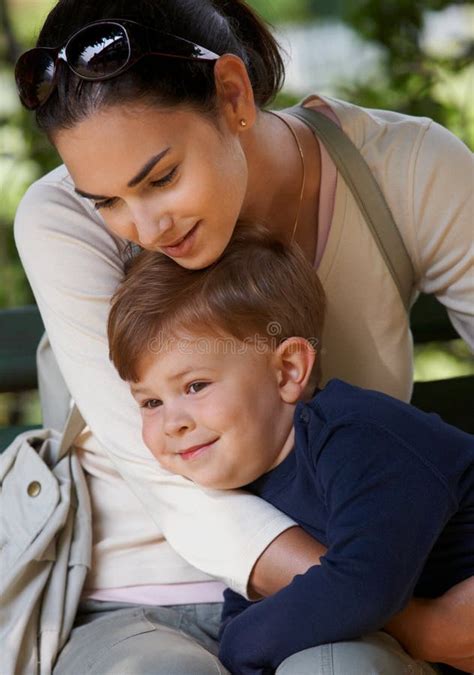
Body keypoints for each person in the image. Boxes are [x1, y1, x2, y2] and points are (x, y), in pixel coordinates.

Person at [13, 0, 473, 672]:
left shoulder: (404, 172)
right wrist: (417, 622)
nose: (144, 227)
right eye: (107, 201)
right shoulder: (60, 222)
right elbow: (168, 482)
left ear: (232, 94)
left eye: (162, 177)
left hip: (353, 584)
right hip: (141, 599)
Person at [106, 223, 474, 675]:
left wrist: (237, 648)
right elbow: (257, 610)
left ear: (287, 371)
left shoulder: (359, 438)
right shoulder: (252, 487)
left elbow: (363, 587)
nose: (173, 422)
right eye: (150, 402)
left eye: (195, 385)